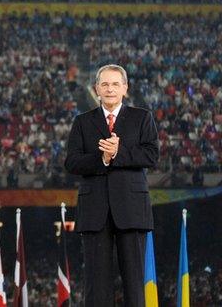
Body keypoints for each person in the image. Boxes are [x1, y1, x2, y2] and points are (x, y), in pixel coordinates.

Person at [65, 64, 159, 306]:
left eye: (115, 84)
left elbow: (151, 156)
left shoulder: (142, 118)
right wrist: (103, 159)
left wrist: (119, 153)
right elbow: (72, 162)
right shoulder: (82, 122)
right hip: (95, 210)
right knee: (96, 285)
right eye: (104, 84)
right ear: (96, 88)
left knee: (135, 284)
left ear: (125, 88)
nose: (110, 89)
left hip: (132, 209)